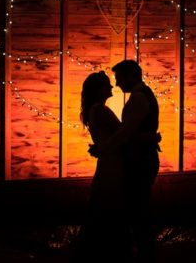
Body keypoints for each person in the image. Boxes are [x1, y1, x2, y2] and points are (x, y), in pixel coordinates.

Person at [89, 60, 160, 262]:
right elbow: (127, 133)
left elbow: (125, 134)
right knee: (138, 208)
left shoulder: (138, 98)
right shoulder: (141, 96)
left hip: (140, 161)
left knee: (139, 209)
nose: (117, 84)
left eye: (119, 78)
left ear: (131, 76)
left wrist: (102, 148)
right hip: (139, 159)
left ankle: (144, 252)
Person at [72, 71, 130, 262]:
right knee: (110, 211)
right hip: (112, 166)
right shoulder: (101, 111)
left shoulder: (93, 111)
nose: (111, 87)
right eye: (107, 85)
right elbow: (123, 133)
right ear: (99, 90)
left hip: (106, 163)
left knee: (102, 211)